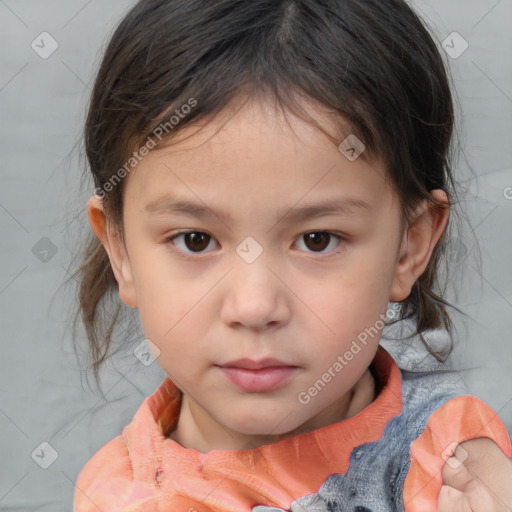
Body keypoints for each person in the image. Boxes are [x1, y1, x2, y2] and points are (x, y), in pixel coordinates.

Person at [71, 0, 512, 510]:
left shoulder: (452, 464)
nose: (254, 307)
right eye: (195, 240)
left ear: (408, 248)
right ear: (121, 250)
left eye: (317, 240)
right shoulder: (115, 496)